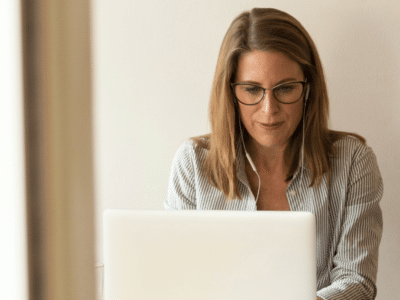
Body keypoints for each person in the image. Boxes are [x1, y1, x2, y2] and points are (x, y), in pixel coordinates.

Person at [164, 7, 383, 300]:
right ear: (230, 91)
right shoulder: (192, 163)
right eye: (253, 90)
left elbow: (358, 282)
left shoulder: (354, 162)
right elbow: (175, 276)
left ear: (308, 88)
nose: (269, 110)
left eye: (285, 88)